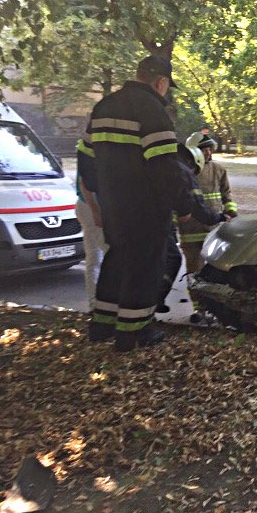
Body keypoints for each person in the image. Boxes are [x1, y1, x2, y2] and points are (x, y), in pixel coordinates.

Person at [77, 54, 193, 352]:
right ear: (161, 82)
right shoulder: (152, 110)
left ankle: (102, 325)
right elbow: (165, 167)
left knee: (116, 260)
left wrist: (98, 194)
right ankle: (134, 333)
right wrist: (183, 204)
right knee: (145, 267)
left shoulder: (103, 106)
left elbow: (85, 158)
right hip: (146, 207)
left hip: (113, 205)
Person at [157, 144, 229, 313]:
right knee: (172, 260)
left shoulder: (165, 163)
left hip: (141, 220)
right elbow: (196, 205)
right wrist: (218, 217)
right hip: (161, 225)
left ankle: (148, 303)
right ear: (194, 161)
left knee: (158, 262)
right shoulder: (182, 171)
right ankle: (152, 301)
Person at [179, 131, 237, 322]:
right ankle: (197, 308)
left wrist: (231, 212)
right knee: (194, 269)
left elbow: (227, 195)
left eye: (210, 149)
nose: (209, 153)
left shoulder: (219, 170)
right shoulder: (187, 172)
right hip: (191, 230)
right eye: (204, 150)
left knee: (215, 270)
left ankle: (214, 308)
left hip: (214, 229)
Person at [73, 153, 108, 312]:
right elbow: (84, 183)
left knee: (94, 257)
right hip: (91, 205)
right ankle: (107, 303)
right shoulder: (92, 148)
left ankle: (95, 303)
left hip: (86, 205)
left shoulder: (88, 146)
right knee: (110, 253)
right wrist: (96, 211)